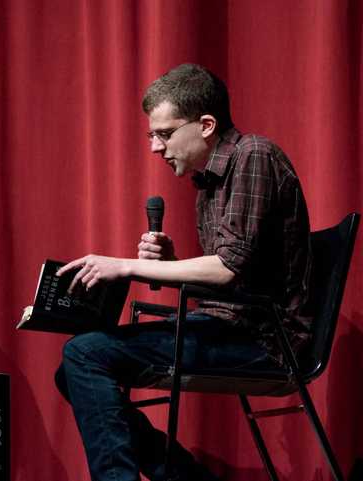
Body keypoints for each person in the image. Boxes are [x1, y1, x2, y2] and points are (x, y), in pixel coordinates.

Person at [54, 64, 312, 481]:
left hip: (264, 340)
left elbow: (228, 270)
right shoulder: (208, 184)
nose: (156, 147)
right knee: (74, 366)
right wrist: (169, 263)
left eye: (165, 133)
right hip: (228, 324)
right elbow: (237, 270)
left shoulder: (254, 156)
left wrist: (124, 266)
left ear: (206, 125)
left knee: (84, 355)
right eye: (151, 135)